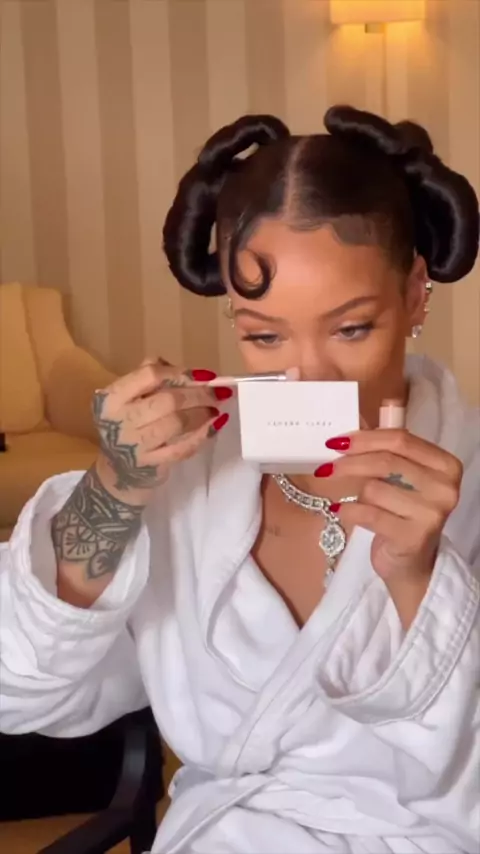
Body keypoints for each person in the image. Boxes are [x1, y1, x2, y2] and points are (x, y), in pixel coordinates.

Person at [1, 106, 479, 854]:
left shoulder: (471, 477)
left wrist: (421, 581)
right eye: (263, 335)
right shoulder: (190, 482)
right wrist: (112, 491)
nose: (308, 374)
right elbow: (19, 689)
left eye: (351, 327)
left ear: (416, 292)